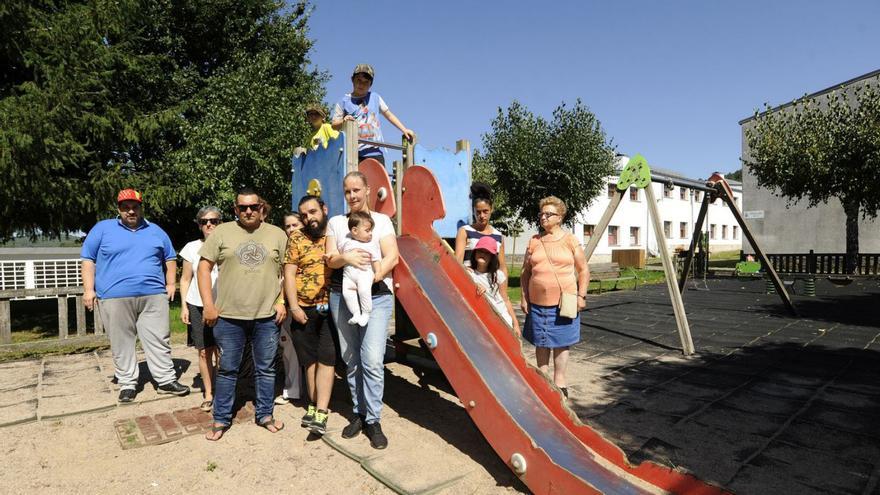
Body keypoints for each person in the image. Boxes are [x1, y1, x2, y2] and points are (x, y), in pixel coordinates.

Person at [80, 189, 190, 403]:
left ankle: (166, 380)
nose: (131, 210)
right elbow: (87, 259)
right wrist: (88, 290)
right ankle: (128, 383)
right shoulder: (102, 229)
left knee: (159, 338)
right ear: (118, 208)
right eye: (126, 207)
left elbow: (169, 257)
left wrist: (170, 284)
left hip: (154, 295)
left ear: (140, 207)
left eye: (135, 206)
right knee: (122, 341)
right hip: (114, 296)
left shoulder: (156, 230)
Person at [198, 187, 289, 441]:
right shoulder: (222, 232)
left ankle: (265, 415)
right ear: (235, 209)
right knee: (227, 369)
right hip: (228, 317)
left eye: (253, 207)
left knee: (266, 368)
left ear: (262, 208)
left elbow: (288, 272)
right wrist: (208, 304)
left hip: (267, 315)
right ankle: (221, 418)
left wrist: (282, 301)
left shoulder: (277, 235)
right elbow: (203, 269)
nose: (248, 211)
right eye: (242, 207)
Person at [325, 171, 398, 449]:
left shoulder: (380, 221)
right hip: (341, 296)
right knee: (350, 358)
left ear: (368, 190)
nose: (352, 196)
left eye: (357, 189)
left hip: (377, 297)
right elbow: (331, 259)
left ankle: (374, 419)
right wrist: (346, 257)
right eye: (347, 191)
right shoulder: (336, 222)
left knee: (372, 359)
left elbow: (393, 255)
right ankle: (359, 412)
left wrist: (374, 276)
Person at [519, 196, 589, 399]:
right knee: (541, 342)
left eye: (548, 214)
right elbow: (525, 272)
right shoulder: (534, 240)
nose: (543, 217)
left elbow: (583, 270)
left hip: (563, 303)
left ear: (560, 217)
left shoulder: (570, 240)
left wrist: (581, 296)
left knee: (561, 342)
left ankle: (560, 383)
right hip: (537, 304)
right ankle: (543, 379)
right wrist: (524, 297)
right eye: (541, 214)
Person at [283, 196, 338, 435]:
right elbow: (289, 274)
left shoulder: (334, 234)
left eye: (313, 212)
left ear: (324, 209)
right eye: (304, 215)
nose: (309, 218)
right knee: (310, 361)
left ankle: (322, 412)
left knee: (327, 358)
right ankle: (314, 405)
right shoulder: (296, 238)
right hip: (303, 309)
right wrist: (293, 307)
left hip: (331, 307)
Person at [179, 206, 222, 412]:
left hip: (224, 306)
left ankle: (224, 392)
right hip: (197, 305)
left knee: (223, 353)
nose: (209, 225)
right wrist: (184, 306)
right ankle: (208, 392)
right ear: (199, 225)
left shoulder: (228, 245)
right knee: (205, 352)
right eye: (204, 221)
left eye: (213, 221)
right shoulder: (191, 247)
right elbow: (186, 279)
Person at [331, 63, 414, 167]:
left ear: (370, 84)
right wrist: (344, 121)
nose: (362, 84)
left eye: (366, 82)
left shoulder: (375, 97)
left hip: (374, 151)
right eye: (359, 80)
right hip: (353, 153)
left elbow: (389, 115)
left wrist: (404, 129)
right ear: (352, 80)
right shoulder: (343, 101)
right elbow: (333, 125)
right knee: (356, 181)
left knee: (378, 181)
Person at [276, 213, 304, 406]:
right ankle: (292, 389)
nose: (292, 229)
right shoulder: (282, 250)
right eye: (288, 226)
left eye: (295, 224)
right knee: (288, 348)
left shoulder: (312, 246)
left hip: (307, 304)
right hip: (285, 304)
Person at [467, 236, 520, 334]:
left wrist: (515, 324)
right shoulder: (468, 273)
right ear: (475, 253)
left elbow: (505, 300)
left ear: (492, 257)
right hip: (481, 320)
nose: (483, 254)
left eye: (487, 252)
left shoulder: (498, 275)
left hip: (501, 318)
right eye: (480, 251)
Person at [454, 182, 507, 276]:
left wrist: (503, 290)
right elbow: (457, 263)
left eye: (485, 211)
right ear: (473, 211)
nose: (482, 216)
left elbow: (502, 268)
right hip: (469, 285)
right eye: (478, 212)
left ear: (492, 209)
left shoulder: (499, 236)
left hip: (491, 287)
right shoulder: (464, 231)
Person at [339, 211, 382, 327]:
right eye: (367, 231)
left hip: (364, 272)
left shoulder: (371, 244)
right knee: (347, 293)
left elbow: (376, 259)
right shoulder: (346, 241)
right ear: (354, 231)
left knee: (364, 291)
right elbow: (339, 254)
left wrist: (378, 271)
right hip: (348, 275)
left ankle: (366, 313)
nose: (371, 234)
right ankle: (356, 313)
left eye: (371, 230)